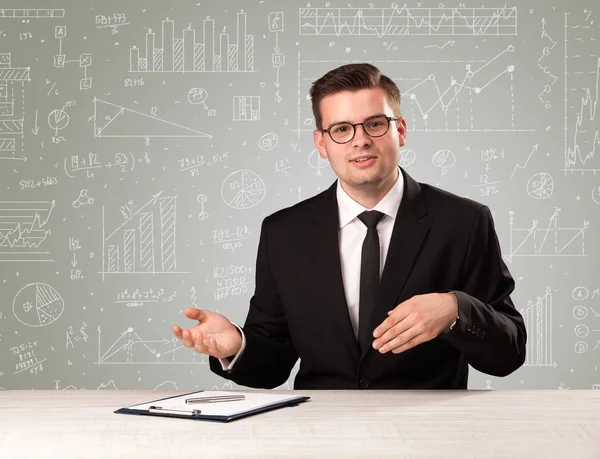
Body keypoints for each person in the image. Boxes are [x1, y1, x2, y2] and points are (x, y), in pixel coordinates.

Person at [173, 63, 527, 390]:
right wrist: (236, 345)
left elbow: (508, 354)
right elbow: (273, 363)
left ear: (400, 131)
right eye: (341, 129)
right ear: (321, 144)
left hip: (426, 434)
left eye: (375, 124)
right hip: (320, 434)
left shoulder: (463, 221)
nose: (360, 140)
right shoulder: (284, 232)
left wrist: (456, 310)